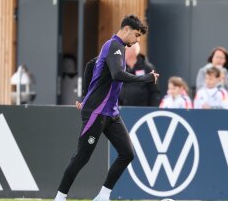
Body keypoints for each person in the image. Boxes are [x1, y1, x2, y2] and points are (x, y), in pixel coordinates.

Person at [54, 14, 159, 201]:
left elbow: (89, 66)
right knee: (81, 157)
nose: (136, 40)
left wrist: (85, 95)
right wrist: (146, 78)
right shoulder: (114, 46)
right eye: (135, 35)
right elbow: (118, 75)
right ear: (126, 29)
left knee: (127, 153)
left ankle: (103, 196)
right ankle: (59, 198)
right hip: (96, 111)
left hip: (111, 113)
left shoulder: (114, 47)